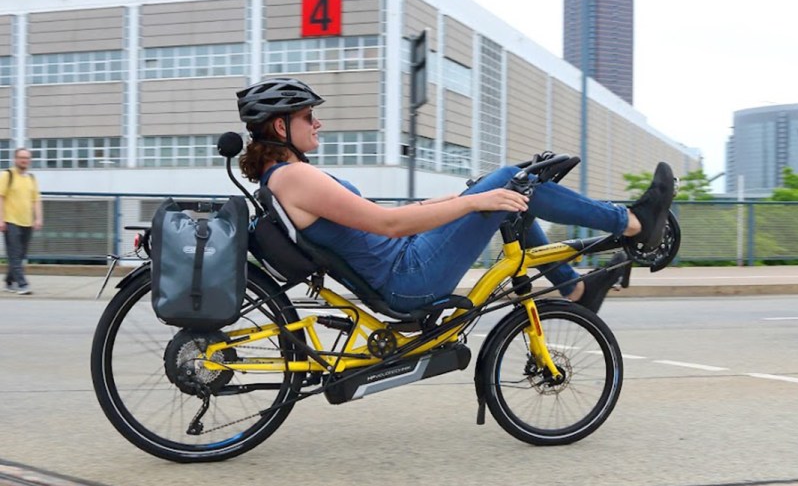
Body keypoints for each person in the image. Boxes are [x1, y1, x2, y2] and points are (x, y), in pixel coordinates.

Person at [236, 77, 673, 314]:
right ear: (280, 127)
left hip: (405, 262)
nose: (318, 124)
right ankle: (633, 223)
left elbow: (382, 216)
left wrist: (452, 199)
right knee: (507, 180)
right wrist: (471, 202)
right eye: (309, 116)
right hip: (408, 279)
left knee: (507, 193)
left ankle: (574, 290)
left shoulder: (286, 178)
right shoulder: (294, 177)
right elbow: (387, 225)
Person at [1, 148, 43, 295]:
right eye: (21, 157)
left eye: (27, 158)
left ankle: (8, 281)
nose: (24, 160)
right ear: (15, 159)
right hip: (10, 220)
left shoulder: (31, 178)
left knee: (20, 254)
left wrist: (38, 218)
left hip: (27, 222)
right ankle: (22, 284)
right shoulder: (8, 175)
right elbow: (1, 197)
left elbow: (36, 200)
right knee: (15, 253)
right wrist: (1, 219)